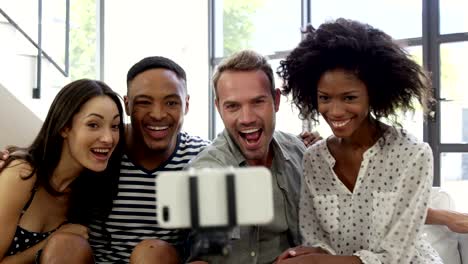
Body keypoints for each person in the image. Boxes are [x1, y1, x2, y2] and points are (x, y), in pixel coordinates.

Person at [275, 18, 442, 263]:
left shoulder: (413, 155)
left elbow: (397, 255)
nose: (335, 111)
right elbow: (316, 238)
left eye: (349, 98)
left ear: (372, 94)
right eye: (325, 98)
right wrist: (308, 253)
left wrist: (317, 262)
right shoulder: (314, 159)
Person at [187, 50, 307, 264]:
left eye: (258, 102)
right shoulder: (207, 172)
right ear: (219, 109)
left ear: (276, 101)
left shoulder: (298, 151)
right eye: (233, 106)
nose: (247, 118)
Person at [87, 56, 211, 263]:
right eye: (144, 102)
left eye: (171, 102)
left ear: (186, 104)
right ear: (126, 105)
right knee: (65, 243)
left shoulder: (203, 157)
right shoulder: (102, 148)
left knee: (150, 252)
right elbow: (56, 156)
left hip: (158, 259)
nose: (158, 114)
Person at [0, 79, 125, 263]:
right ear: (65, 128)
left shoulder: (86, 191)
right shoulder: (22, 174)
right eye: (93, 125)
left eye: (114, 126)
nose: (108, 138)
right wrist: (50, 241)